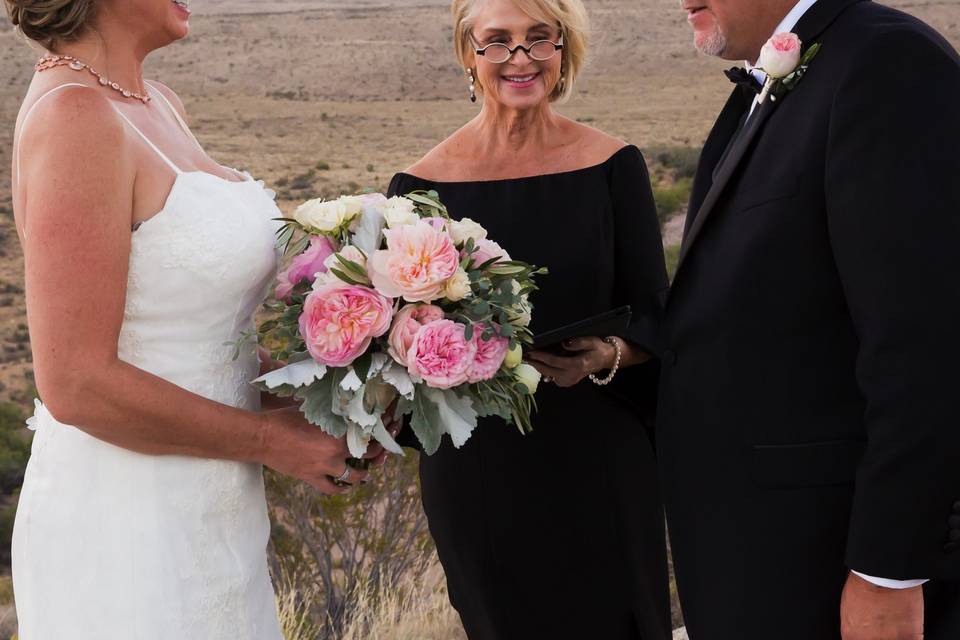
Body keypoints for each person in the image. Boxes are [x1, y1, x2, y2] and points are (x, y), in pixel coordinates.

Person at [5, 0, 396, 637]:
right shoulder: (74, 115)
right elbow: (75, 383)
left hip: (214, 502)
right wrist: (275, 443)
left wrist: (325, 397)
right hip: (127, 517)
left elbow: (196, 338)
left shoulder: (157, 102)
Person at [659, 0, 960, 637]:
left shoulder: (886, 64)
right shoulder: (773, 78)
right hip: (755, 560)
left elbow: (925, 345)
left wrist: (889, 572)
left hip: (831, 569)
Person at [388, 0, 671, 637]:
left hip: (599, 452)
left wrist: (606, 356)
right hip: (480, 470)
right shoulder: (416, 187)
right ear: (470, 55)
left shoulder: (612, 166)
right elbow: (402, 339)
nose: (520, 58)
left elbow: (656, 314)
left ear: (563, 50)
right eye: (498, 42)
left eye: (539, 39)